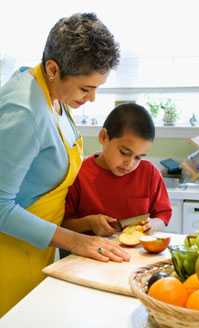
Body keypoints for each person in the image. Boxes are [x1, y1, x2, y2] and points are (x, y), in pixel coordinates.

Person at [0, 13, 130, 317]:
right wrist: (76, 240)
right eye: (86, 89)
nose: (92, 97)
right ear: (53, 68)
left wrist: (83, 224)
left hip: (36, 247)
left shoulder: (54, 93)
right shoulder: (23, 112)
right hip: (8, 254)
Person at [63, 103, 172, 238]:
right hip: (88, 256)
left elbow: (163, 215)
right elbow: (63, 224)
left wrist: (152, 225)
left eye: (138, 157)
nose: (130, 163)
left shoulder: (150, 173)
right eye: (124, 152)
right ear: (103, 137)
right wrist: (88, 223)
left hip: (136, 255)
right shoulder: (78, 174)